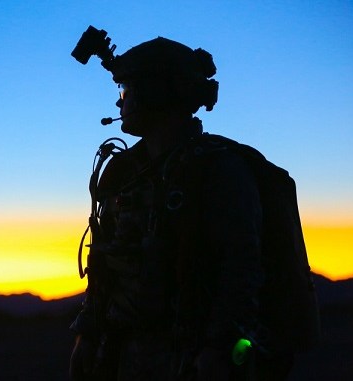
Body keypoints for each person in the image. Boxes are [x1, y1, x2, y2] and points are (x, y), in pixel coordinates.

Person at [69, 34, 299, 381]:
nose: (120, 104)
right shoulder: (124, 172)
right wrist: (88, 334)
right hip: (122, 354)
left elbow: (241, 267)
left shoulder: (218, 169)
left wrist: (217, 350)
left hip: (189, 358)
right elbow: (104, 264)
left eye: (125, 92)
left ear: (156, 93)